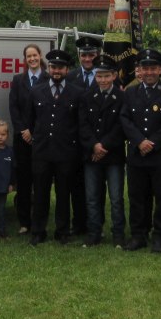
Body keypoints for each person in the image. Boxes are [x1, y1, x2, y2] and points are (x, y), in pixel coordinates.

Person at [119, 48, 161, 252]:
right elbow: (125, 119)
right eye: (145, 68)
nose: (149, 72)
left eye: (153, 68)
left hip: (160, 154)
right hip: (137, 154)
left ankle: (159, 235)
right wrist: (139, 141)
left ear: (160, 69)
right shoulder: (130, 91)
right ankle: (138, 235)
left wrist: (151, 142)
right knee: (137, 196)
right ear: (140, 70)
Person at [26, 49, 82, 246]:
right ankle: (38, 231)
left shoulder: (77, 93)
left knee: (63, 193)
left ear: (67, 69)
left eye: (60, 67)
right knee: (40, 193)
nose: (56, 71)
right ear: (48, 68)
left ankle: (62, 231)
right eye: (53, 67)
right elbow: (30, 121)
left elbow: (79, 124)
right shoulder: (36, 91)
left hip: (66, 152)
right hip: (42, 152)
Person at [79, 53, 126, 248]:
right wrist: (94, 145)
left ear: (114, 76)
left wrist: (103, 145)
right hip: (92, 155)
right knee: (91, 197)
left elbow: (121, 125)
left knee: (116, 197)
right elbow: (83, 125)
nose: (103, 80)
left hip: (113, 155)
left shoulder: (122, 96)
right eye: (99, 76)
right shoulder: (87, 96)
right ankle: (94, 233)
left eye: (107, 76)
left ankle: (118, 234)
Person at [66, 35, 101, 235]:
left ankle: (97, 224)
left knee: (97, 187)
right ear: (79, 56)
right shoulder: (71, 77)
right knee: (76, 186)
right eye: (84, 55)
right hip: (75, 143)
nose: (88, 59)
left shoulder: (106, 75)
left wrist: (96, 143)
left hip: (98, 143)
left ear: (98, 55)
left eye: (91, 55)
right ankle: (78, 223)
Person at [7, 43, 44, 234]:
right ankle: (24, 222)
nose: (32, 59)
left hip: (41, 140)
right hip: (22, 140)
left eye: (34, 55)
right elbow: (13, 108)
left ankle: (38, 221)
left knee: (40, 181)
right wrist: (23, 130)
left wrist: (35, 132)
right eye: (28, 56)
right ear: (25, 59)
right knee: (23, 181)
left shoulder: (47, 78)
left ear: (40, 56)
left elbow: (48, 110)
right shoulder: (18, 80)